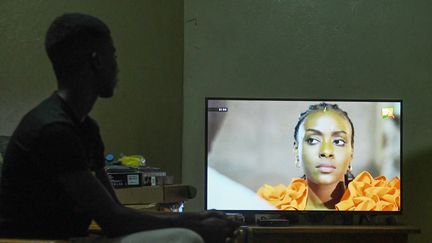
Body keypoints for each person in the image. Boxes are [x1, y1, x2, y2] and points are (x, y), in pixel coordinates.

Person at [0, 13, 239, 242]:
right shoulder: (54, 130)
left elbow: (115, 211)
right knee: (184, 238)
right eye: (112, 55)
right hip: (37, 242)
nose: (117, 66)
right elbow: (113, 221)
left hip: (74, 238)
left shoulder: (85, 128)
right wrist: (191, 224)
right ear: (97, 61)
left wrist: (192, 217)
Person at [257, 103, 400, 211]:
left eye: (338, 141)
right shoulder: (272, 204)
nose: (326, 151)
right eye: (313, 140)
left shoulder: (383, 201)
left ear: (351, 152)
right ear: (296, 150)